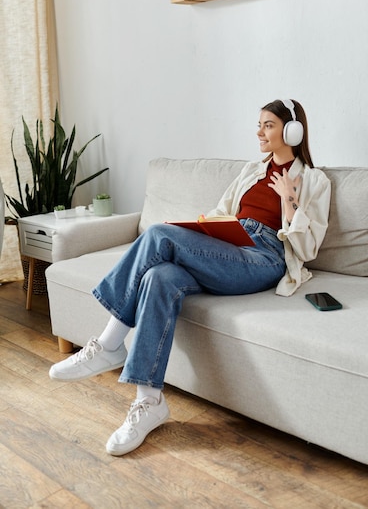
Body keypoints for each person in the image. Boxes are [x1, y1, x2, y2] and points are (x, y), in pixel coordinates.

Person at [49, 98, 331, 456]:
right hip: (229, 247)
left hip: (264, 257)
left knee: (157, 234)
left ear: (292, 131)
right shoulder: (251, 171)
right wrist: (203, 230)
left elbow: (307, 249)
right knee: (160, 277)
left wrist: (289, 202)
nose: (259, 132)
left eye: (268, 125)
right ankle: (149, 401)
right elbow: (221, 212)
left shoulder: (314, 180)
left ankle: (108, 344)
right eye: (258, 124)